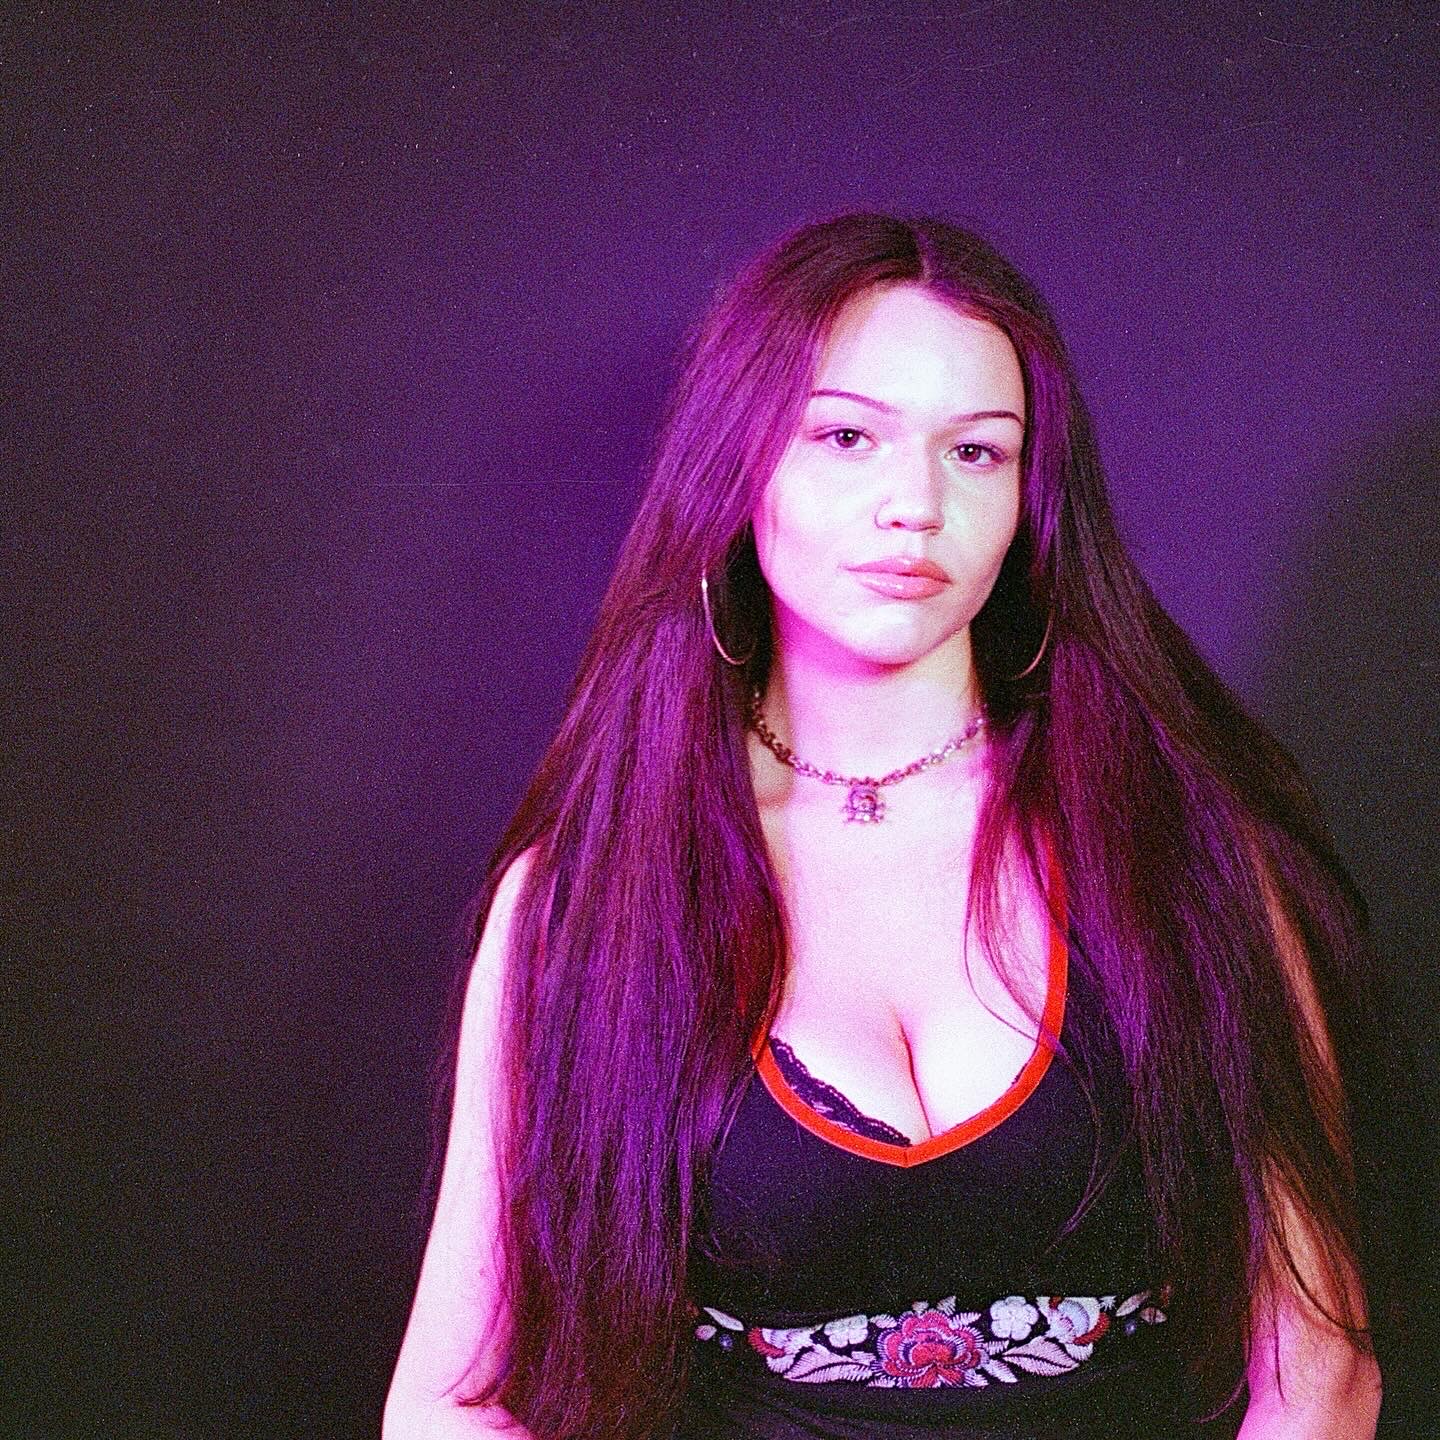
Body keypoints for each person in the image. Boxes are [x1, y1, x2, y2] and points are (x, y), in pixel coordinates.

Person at [383, 212, 1397, 1439]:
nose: (914, 504)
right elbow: (448, 1404)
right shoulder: (585, 901)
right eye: (846, 436)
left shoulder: (1182, 851)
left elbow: (1319, 1369)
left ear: (1030, 498)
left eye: (977, 451)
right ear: (736, 467)